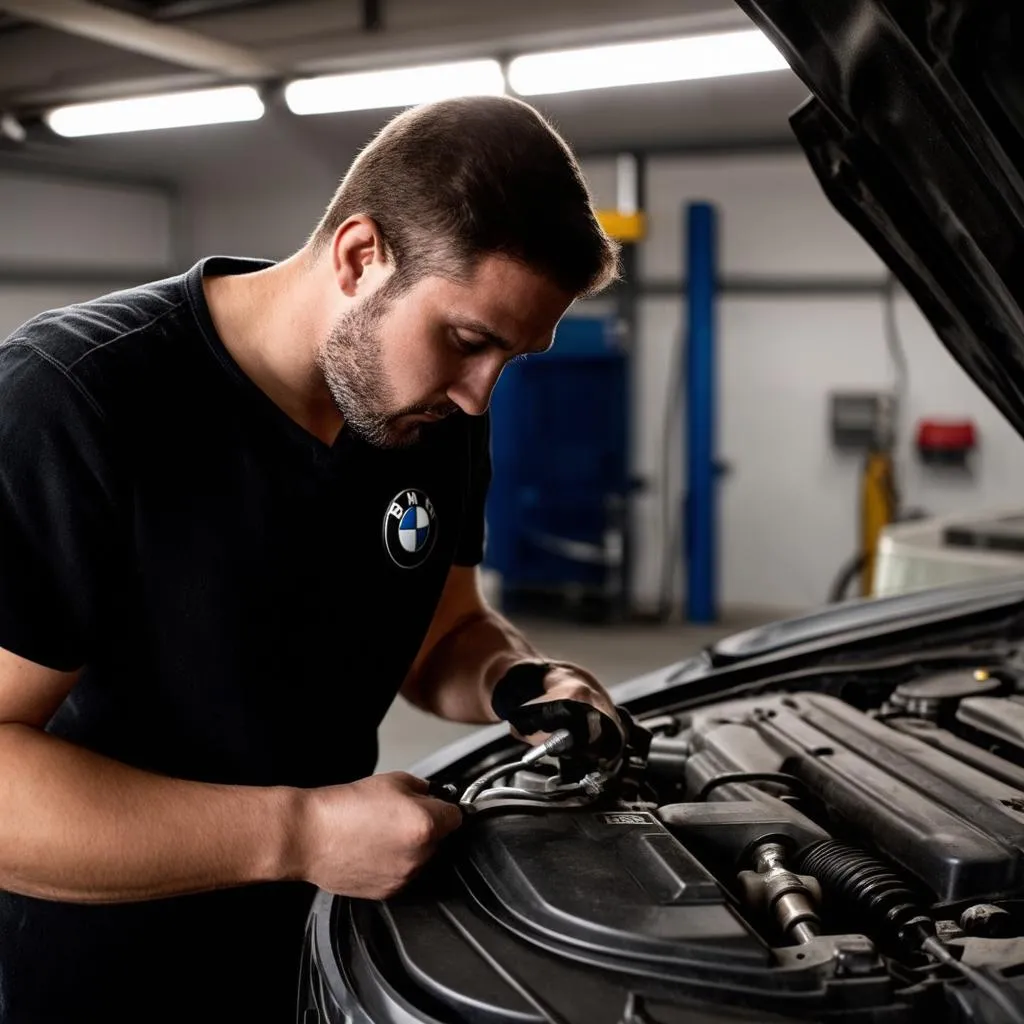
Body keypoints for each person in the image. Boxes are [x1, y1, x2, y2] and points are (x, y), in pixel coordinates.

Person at [0, 94, 622, 1021]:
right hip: (95, 973)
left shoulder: (427, 416)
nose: (481, 395)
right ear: (360, 254)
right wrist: (300, 833)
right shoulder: (76, 401)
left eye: (513, 358)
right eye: (467, 339)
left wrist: (516, 678)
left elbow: (442, 630)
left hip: (321, 956)